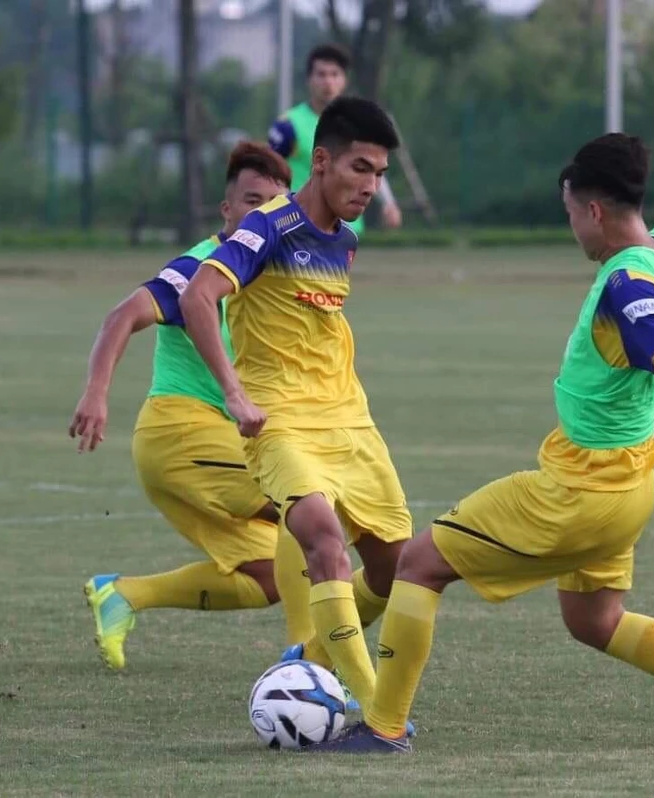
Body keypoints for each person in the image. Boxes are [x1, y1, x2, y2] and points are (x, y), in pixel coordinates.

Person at [311, 78, 654, 754]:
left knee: (418, 564)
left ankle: (383, 728)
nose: (572, 229)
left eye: (571, 214)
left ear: (594, 210)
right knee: (595, 622)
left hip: (580, 489)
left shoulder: (629, 282)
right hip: (630, 488)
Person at [180, 97, 412, 715]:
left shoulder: (346, 240)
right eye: (360, 169)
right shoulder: (268, 227)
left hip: (349, 421)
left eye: (380, 174)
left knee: (394, 570)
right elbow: (199, 297)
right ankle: (374, 711)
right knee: (322, 537)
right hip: (280, 421)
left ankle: (309, 658)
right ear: (322, 161)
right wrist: (234, 392)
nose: (371, 186)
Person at [69, 142, 313, 670]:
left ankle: (125, 594)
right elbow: (122, 316)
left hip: (213, 442)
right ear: (227, 210)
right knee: (306, 507)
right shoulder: (199, 267)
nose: (263, 212)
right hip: (180, 436)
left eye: (274, 203)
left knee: (269, 576)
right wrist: (96, 392)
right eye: (251, 201)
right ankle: (308, 661)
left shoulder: (269, 275)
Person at [269, 43, 403, 234]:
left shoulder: (359, 123)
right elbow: (269, 175)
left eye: (334, 74)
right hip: (301, 226)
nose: (328, 82)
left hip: (347, 228)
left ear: (344, 80)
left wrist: (389, 203)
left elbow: (373, 164)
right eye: (321, 74)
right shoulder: (288, 125)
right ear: (309, 79)